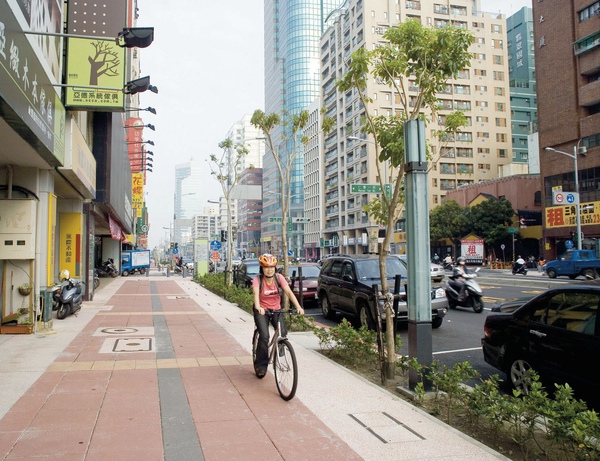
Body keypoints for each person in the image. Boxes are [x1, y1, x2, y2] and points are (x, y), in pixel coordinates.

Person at [252, 254, 304, 378]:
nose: (269, 270)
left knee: (283, 333)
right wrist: (258, 307)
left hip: (276, 310)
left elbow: (289, 292)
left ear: (275, 268)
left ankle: (280, 352)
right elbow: (255, 295)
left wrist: (298, 307)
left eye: (271, 267)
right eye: (266, 267)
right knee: (264, 336)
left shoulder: (279, 278)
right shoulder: (257, 280)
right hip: (262, 311)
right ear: (262, 268)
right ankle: (261, 365)